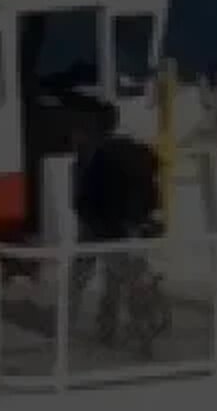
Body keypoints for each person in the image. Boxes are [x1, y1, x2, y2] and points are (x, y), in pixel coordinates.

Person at [69, 100, 164, 346]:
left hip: (97, 226)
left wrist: (84, 213)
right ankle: (119, 328)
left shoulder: (91, 151)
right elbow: (152, 178)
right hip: (126, 224)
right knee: (116, 279)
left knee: (79, 279)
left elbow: (83, 196)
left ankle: (69, 328)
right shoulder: (134, 149)